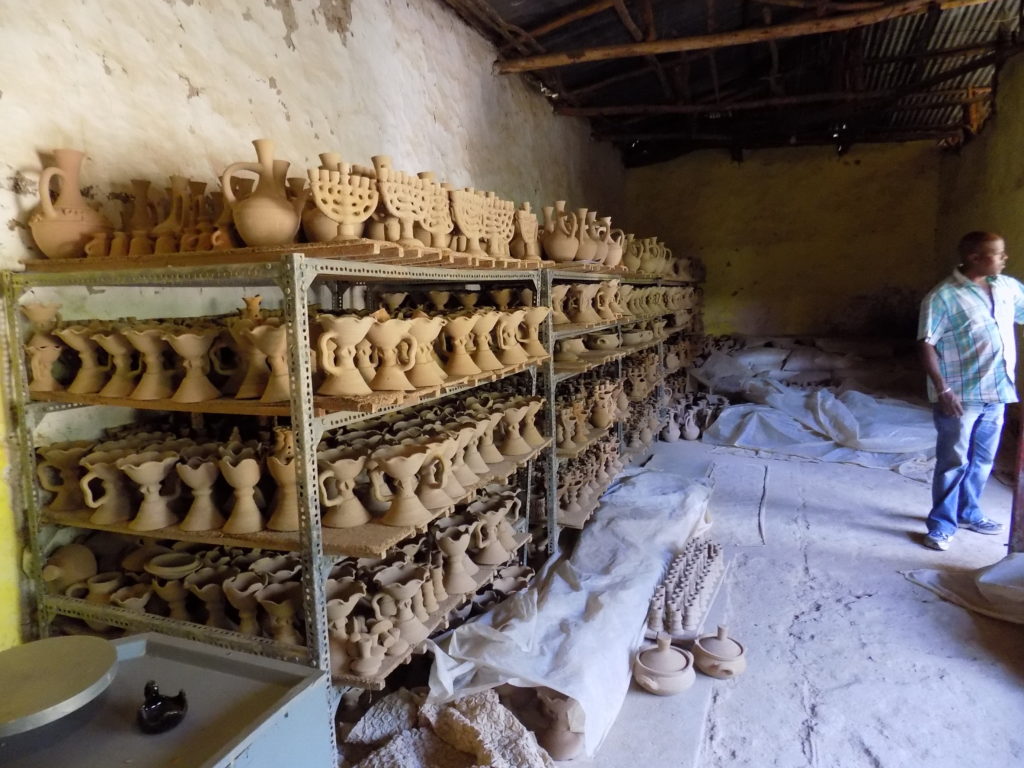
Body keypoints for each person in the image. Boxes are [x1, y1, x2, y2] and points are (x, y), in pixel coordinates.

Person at [917, 231, 1024, 551]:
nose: (1004, 259)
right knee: (953, 461)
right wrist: (943, 389)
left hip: (998, 390)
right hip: (960, 395)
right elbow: (926, 344)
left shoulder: (1007, 288)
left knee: (982, 461)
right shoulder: (943, 297)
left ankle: (969, 512)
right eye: (997, 254)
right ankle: (941, 524)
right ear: (975, 258)